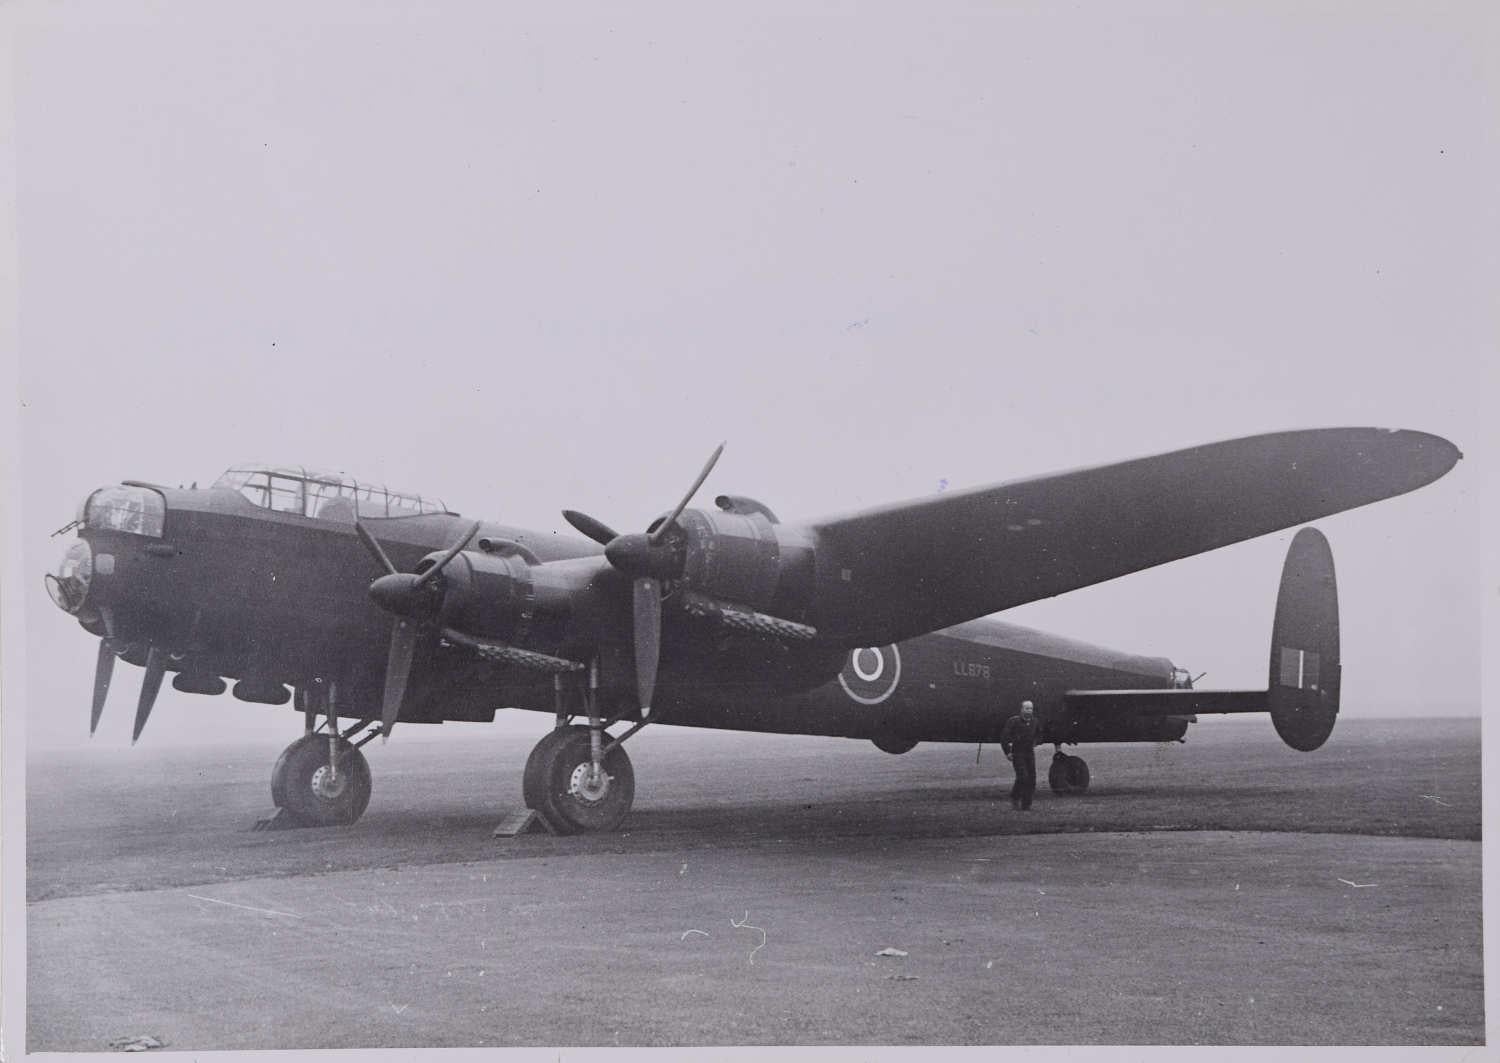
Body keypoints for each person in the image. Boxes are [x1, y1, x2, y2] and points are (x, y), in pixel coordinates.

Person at [999, 700, 1040, 811]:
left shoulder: (1035, 722)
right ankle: (1015, 797)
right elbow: (1004, 737)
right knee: (1023, 777)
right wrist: (1007, 752)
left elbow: (1038, 734)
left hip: (1029, 753)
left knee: (1032, 779)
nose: (1029, 711)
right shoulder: (1013, 721)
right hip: (1018, 753)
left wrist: (1035, 742)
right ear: (1021, 709)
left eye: (1031, 708)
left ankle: (1026, 805)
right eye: (1026, 708)